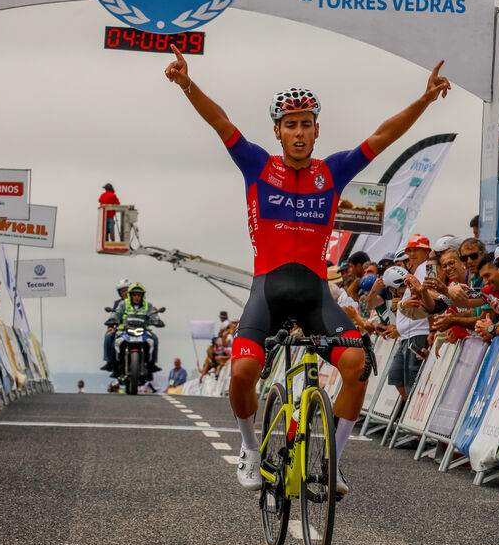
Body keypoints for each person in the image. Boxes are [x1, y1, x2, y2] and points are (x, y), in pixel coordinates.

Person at [164, 45, 450, 495]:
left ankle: (333, 462)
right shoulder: (258, 165)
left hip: (316, 294)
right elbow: (221, 122)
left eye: (306, 124)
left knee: (356, 365)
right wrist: (186, 84)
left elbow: (383, 135)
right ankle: (250, 450)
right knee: (241, 373)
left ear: (317, 130)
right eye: (290, 125)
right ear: (277, 132)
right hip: (268, 292)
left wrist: (424, 100)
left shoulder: (333, 172)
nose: (299, 132)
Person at [386, 235, 437, 401]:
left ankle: (410, 412)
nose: (412, 254)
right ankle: (407, 412)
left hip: (419, 332)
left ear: (426, 251)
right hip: (407, 336)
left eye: (416, 249)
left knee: (414, 383)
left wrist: (432, 329)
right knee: (396, 377)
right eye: (410, 250)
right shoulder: (416, 271)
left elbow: (433, 297)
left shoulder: (427, 267)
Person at [104, 283, 164, 376]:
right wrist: (112, 320)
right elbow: (116, 313)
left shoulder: (148, 305)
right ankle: (112, 364)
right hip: (124, 330)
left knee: (155, 338)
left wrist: (158, 321)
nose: (137, 297)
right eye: (134, 294)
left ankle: (152, 365)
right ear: (130, 295)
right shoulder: (123, 304)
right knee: (109, 337)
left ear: (142, 296)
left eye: (139, 295)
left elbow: (154, 315)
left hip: (143, 331)